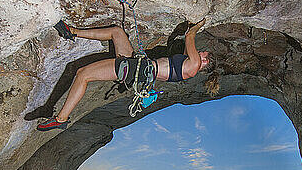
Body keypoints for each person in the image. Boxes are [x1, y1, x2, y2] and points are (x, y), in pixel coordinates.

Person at [37, 18, 209, 131]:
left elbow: (190, 37)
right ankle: (71, 31)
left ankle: (61, 119)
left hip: (134, 69)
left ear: (206, 63)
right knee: (117, 32)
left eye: (204, 55)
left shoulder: (193, 66)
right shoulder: (188, 63)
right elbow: (187, 44)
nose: (200, 53)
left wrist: (199, 25)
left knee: (83, 74)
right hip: (137, 64)